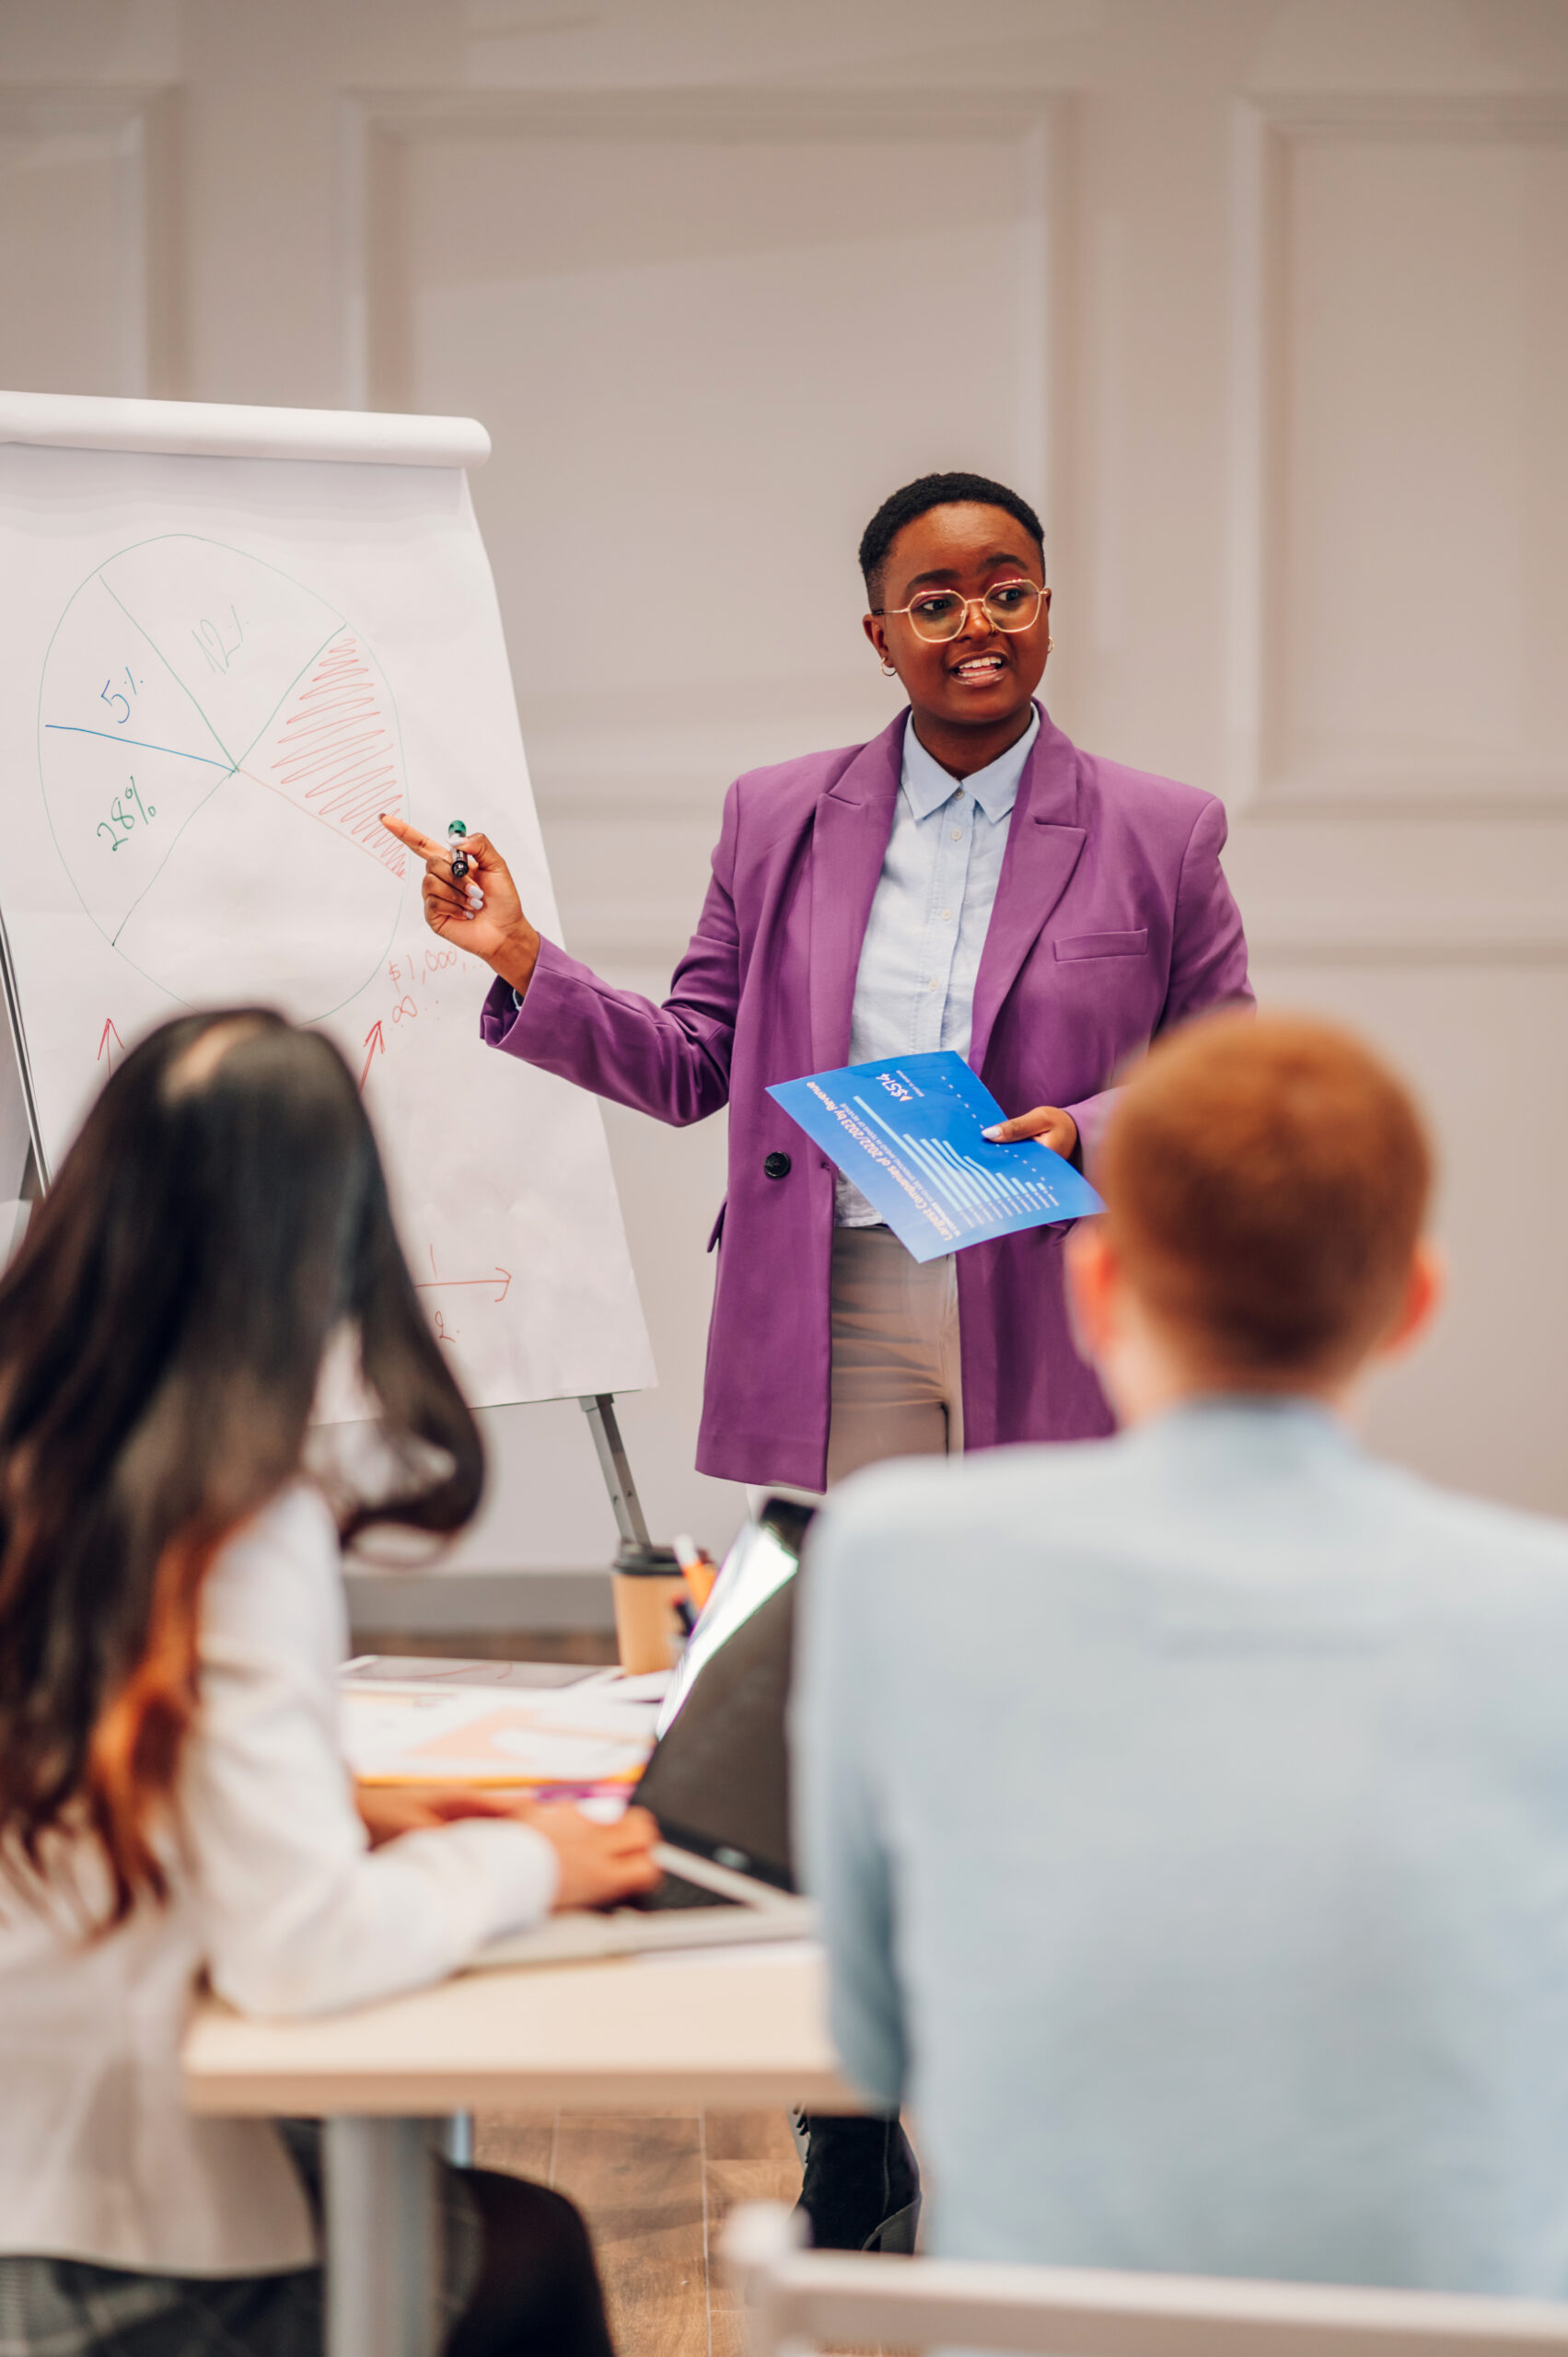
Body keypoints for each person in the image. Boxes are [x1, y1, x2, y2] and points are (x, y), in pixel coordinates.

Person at [795, 1009, 1568, 2291]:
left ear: (1093, 1287)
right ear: (1413, 1303)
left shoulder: (895, 1560)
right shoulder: (1540, 1612)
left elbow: (868, 2048)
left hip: (1048, 2319)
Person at [381, 469, 1252, 1499]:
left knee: (1043, 1576)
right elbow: (690, 1065)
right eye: (935, 603)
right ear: (881, 638)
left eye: (1008, 592)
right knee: (862, 1580)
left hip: (1055, 1281)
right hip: (838, 1289)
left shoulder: (1161, 832)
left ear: (1046, 612)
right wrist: (520, 954)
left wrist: (1082, 1129)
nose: (978, 625)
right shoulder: (773, 816)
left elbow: (1224, 1083)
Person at [0, 1009, 660, 2356]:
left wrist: (344, 1812)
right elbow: (300, 1954)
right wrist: (527, 1861)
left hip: (33, 2145)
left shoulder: (43, 1440)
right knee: (532, 2256)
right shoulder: (230, 1523)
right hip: (82, 2243)